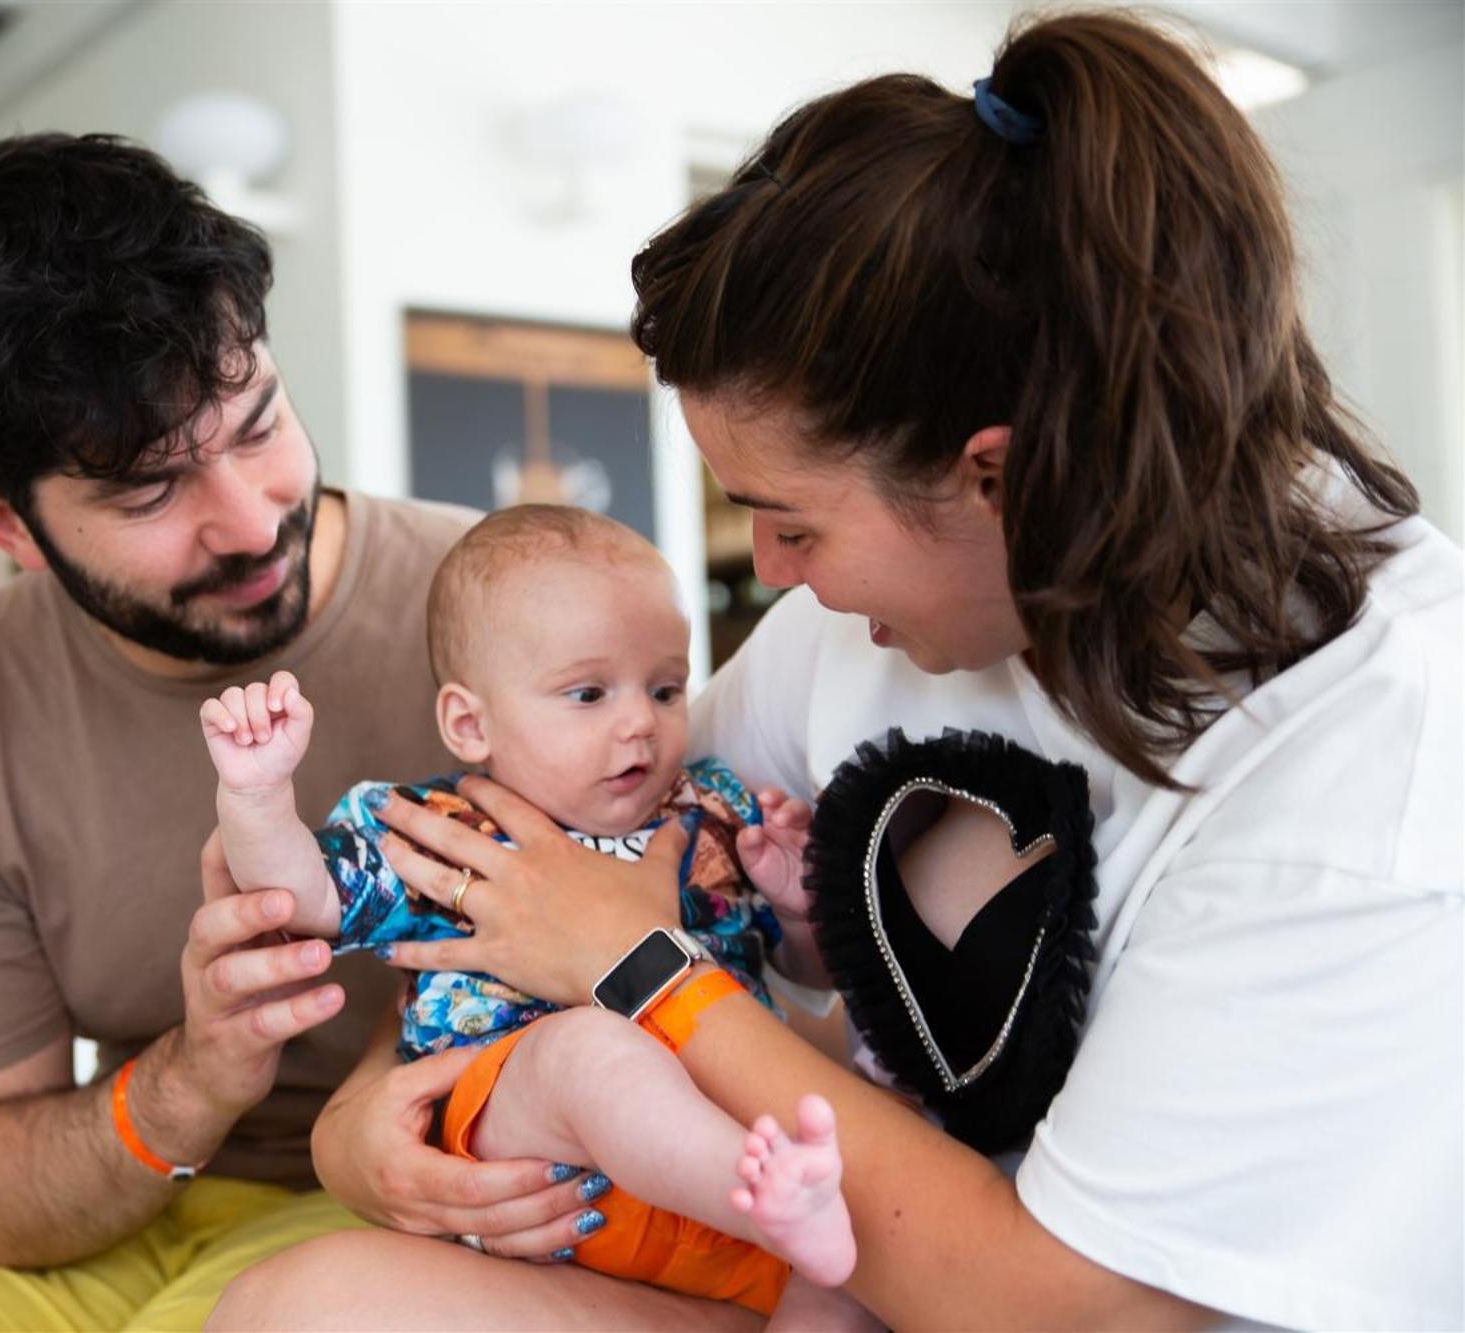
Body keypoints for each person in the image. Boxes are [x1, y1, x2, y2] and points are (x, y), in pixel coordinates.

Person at [207, 12, 1463, 1331]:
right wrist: (366, 1121)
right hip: (834, 1249)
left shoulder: (1362, 769)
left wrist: (645, 973)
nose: (773, 569)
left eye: (793, 521)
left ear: (1000, 477)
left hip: (1038, 1306)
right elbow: (544, 874)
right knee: (295, 1309)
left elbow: (1076, 1312)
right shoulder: (861, 620)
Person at [0, 134, 600, 1333]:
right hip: (127, 1196)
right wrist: (195, 1075)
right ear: (4, 520)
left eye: (256, 424)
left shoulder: (517, 609)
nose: (250, 521)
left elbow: (668, 942)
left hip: (441, 1192)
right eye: (148, 492)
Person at [198, 506, 864, 1328]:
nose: (640, 722)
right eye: (588, 693)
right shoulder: (446, 832)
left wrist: (800, 911)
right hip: (533, 1151)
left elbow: (806, 983)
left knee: (853, 1272)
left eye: (665, 687)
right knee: (587, 1051)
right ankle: (766, 1191)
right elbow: (306, 899)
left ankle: (785, 1202)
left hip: (703, 1194)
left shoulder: (709, 814)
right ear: (470, 722)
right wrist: (257, 796)